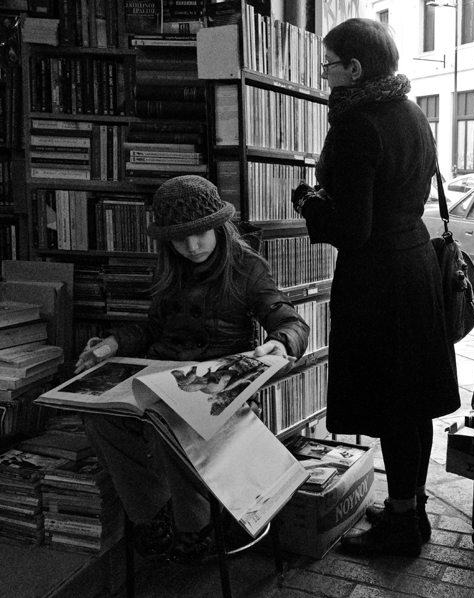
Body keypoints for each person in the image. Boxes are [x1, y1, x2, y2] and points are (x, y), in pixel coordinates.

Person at [74, 175, 309, 566]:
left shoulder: (246, 268)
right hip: (161, 375)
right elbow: (153, 327)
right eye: (179, 238)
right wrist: (111, 344)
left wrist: (281, 342)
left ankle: (195, 524)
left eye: (200, 234)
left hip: (215, 387)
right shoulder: (170, 268)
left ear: (218, 225)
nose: (192, 246)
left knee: (170, 421)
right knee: (101, 417)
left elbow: (292, 322)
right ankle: (151, 513)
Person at [291, 18, 460, 558]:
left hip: (379, 280)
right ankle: (414, 512)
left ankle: (399, 528)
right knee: (413, 404)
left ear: (355, 68)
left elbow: (354, 230)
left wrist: (310, 203)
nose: (323, 74)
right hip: (415, 267)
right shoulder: (412, 112)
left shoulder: (357, 123)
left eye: (328, 64)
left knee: (391, 405)